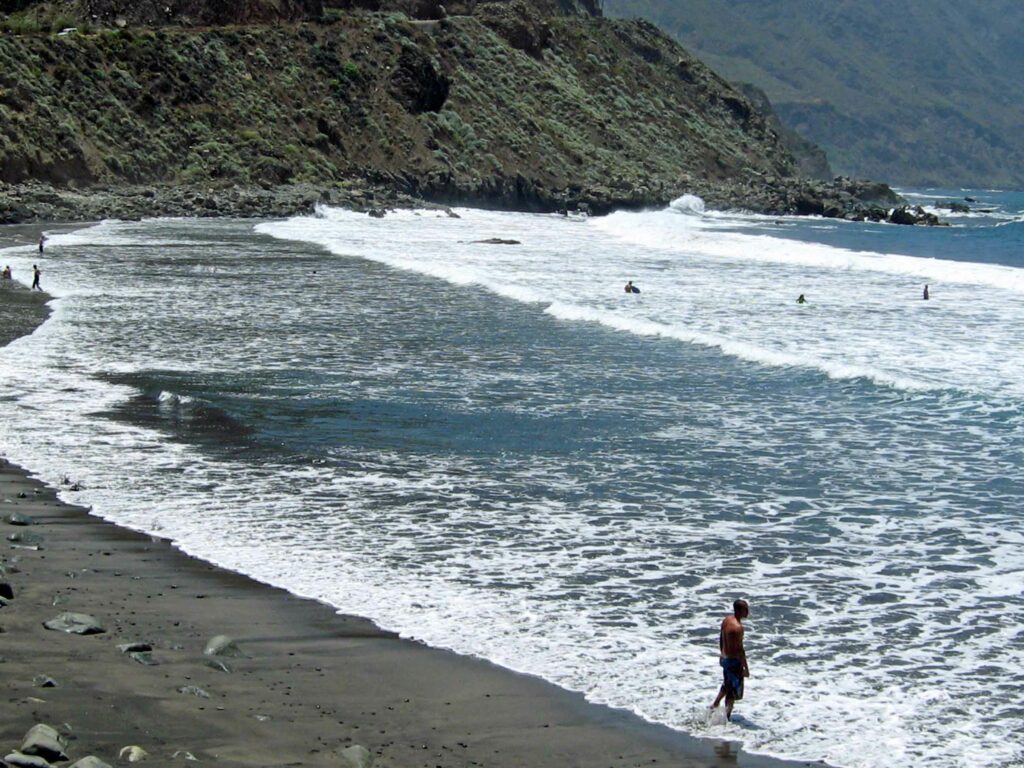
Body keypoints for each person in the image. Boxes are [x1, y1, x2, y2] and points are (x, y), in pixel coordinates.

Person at [710, 599, 750, 721]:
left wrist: (722, 653)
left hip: (725, 658)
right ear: (739, 610)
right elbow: (740, 650)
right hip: (734, 661)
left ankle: (716, 704)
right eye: (745, 609)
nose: (748, 611)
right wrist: (746, 668)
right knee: (732, 691)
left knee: (727, 684)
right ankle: (726, 717)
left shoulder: (727, 620)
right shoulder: (738, 628)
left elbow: (721, 637)